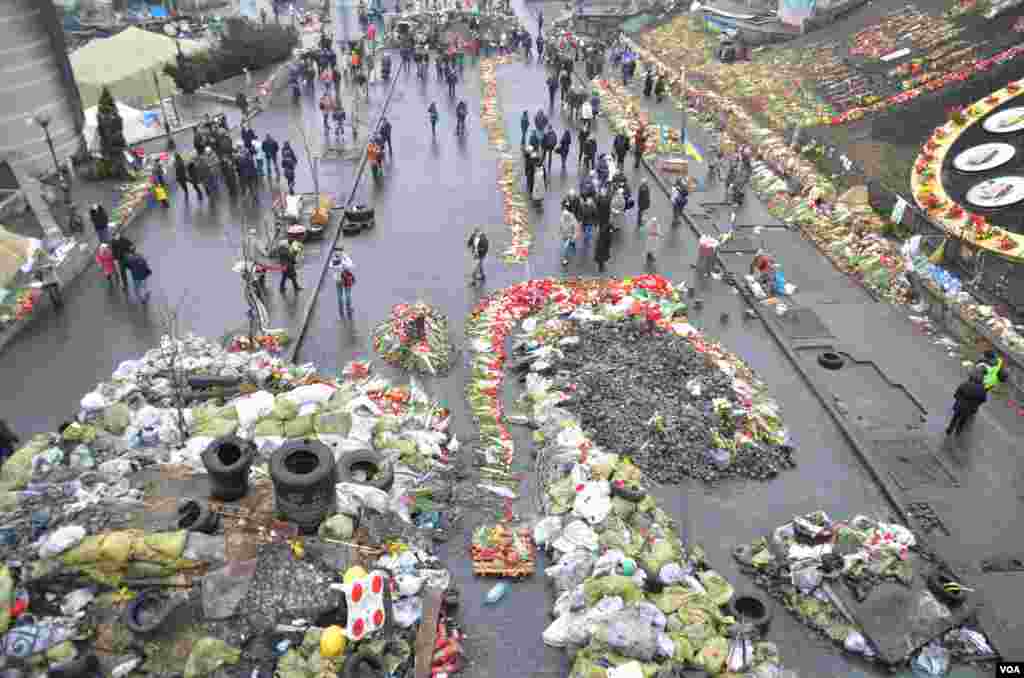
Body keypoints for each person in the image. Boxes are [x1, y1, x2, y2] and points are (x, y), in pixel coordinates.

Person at [946, 366, 988, 436]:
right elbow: (983, 400)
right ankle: (958, 431)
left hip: (960, 405)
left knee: (955, 417)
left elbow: (956, 394)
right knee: (963, 420)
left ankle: (949, 430)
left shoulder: (965, 384)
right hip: (970, 408)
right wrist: (976, 404)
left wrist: (959, 400)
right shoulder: (982, 389)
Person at [329, 247, 355, 318]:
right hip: (345, 279)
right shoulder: (344, 258)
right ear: (342, 250)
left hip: (337, 279)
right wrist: (345, 263)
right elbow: (351, 266)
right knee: (347, 294)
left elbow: (330, 266)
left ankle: (341, 309)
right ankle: (348, 308)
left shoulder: (334, 259)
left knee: (339, 295)